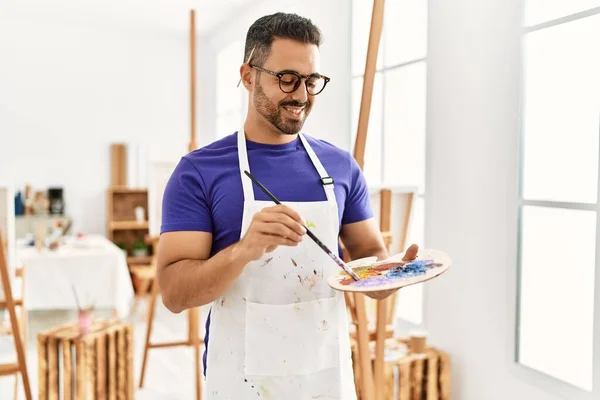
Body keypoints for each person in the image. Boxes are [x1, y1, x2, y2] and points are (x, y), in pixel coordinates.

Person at [157, 12, 418, 399]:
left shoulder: (341, 166)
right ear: (248, 76)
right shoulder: (199, 171)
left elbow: (368, 259)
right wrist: (244, 251)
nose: (302, 95)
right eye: (287, 79)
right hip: (240, 379)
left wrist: (391, 276)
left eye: (311, 81)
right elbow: (174, 294)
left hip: (325, 374)